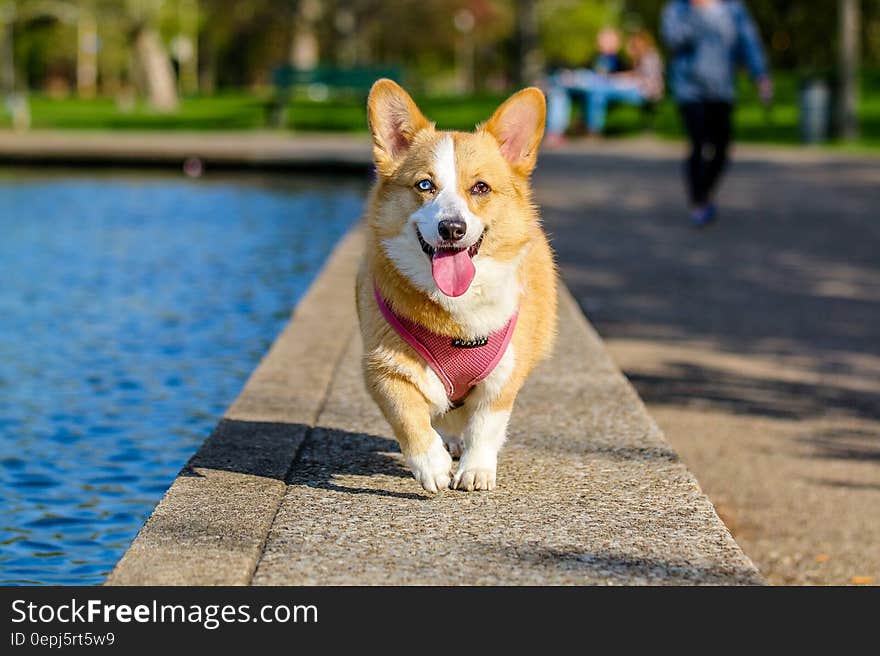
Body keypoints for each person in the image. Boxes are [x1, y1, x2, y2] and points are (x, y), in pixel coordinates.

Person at [662, 0, 773, 227]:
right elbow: (673, 39)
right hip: (689, 89)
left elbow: (748, 42)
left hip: (722, 89)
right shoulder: (678, 8)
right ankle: (698, 202)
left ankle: (706, 191)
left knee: (722, 147)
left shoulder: (734, 9)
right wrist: (697, 12)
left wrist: (760, 76)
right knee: (698, 142)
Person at [545, 29, 664, 143]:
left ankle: (591, 129)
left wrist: (620, 78)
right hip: (601, 87)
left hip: (644, 92)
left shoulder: (645, 57)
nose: (628, 47)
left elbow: (645, 80)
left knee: (597, 91)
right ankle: (562, 131)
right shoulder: (597, 57)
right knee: (563, 89)